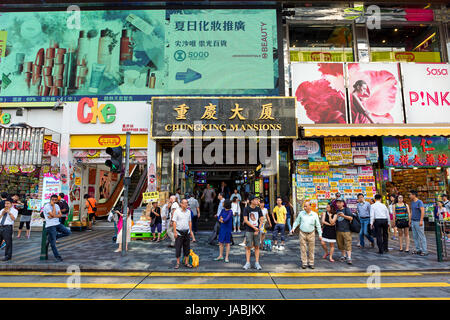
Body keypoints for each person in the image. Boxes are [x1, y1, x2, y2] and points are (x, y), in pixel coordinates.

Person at [290, 200, 322, 269]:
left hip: (311, 233)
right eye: (304, 206)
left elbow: (318, 225)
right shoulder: (301, 213)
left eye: (306, 206)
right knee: (303, 249)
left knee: (311, 249)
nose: (304, 208)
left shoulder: (314, 215)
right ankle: (304, 263)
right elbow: (297, 221)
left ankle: (311, 262)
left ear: (310, 206)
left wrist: (320, 234)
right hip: (302, 233)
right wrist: (293, 228)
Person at [43, 194, 71, 261]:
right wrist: (53, 208)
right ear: (50, 199)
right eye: (53, 200)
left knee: (68, 232)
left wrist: (53, 216)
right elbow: (52, 214)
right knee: (53, 243)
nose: (54, 201)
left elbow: (60, 215)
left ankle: (54, 237)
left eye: (55, 200)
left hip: (57, 223)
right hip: (50, 225)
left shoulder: (57, 205)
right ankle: (57, 257)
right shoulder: (47, 206)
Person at [243, 195, 264, 270]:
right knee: (248, 246)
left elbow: (262, 219)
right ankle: (248, 262)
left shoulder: (258, 209)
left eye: (257, 200)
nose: (257, 201)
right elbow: (245, 220)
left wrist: (258, 229)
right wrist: (254, 228)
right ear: (251, 201)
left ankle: (257, 262)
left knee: (257, 246)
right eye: (255, 199)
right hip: (249, 230)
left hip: (257, 230)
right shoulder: (246, 209)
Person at [172, 199, 194, 269]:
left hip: (186, 232)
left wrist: (190, 231)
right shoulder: (177, 211)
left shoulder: (188, 212)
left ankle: (186, 262)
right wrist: (175, 232)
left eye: (187, 203)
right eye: (184, 203)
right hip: (179, 232)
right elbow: (174, 222)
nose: (186, 205)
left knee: (187, 248)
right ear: (181, 204)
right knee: (178, 248)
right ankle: (178, 263)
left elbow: (190, 221)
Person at [409, 190, 428, 256]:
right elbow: (411, 211)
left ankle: (425, 251)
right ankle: (418, 249)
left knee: (421, 236)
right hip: (413, 221)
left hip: (418, 221)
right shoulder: (412, 202)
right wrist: (410, 220)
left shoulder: (419, 202)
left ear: (414, 195)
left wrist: (421, 220)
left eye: (410, 194)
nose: (409, 196)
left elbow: (422, 211)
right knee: (415, 236)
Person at [335, 199, 354, 265]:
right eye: (337, 203)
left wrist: (343, 216)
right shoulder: (336, 211)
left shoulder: (346, 209)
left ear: (343, 203)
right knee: (340, 244)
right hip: (338, 230)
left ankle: (349, 257)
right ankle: (343, 256)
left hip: (346, 230)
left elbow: (351, 218)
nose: (338, 204)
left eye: (339, 202)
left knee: (348, 243)